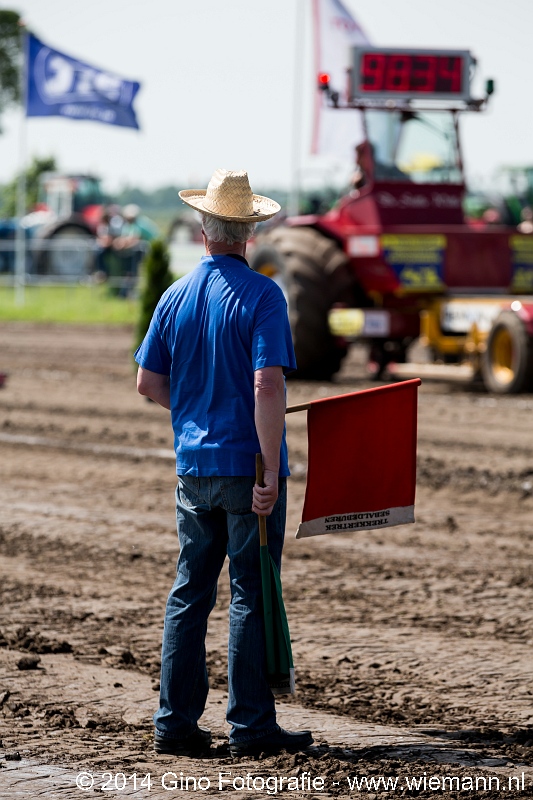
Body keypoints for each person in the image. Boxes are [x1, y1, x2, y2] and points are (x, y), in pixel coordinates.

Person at [134, 168, 313, 758]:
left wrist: (189, 414)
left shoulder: (174, 295)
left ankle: (175, 723)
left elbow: (147, 381)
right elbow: (267, 385)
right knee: (249, 593)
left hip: (193, 466)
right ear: (251, 231)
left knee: (189, 592)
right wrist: (266, 468)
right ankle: (251, 725)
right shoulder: (263, 295)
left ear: (202, 228)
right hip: (248, 468)